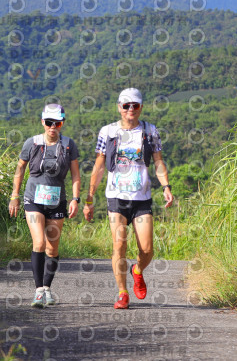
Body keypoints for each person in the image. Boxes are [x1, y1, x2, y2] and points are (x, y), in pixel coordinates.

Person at [83, 88, 174, 309]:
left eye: (135, 105)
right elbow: (99, 166)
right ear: (119, 107)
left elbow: (158, 161)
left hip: (142, 198)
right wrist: (89, 198)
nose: (130, 109)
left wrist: (166, 186)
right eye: (126, 106)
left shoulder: (150, 131)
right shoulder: (108, 131)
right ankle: (122, 293)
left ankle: (137, 270)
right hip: (116, 197)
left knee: (147, 249)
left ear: (141, 107)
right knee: (119, 244)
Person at [9, 104, 80, 307]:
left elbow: (75, 174)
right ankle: (38, 291)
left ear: (62, 123)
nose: (52, 127)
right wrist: (14, 195)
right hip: (33, 199)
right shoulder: (32, 143)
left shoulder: (68, 145)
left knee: (52, 247)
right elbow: (20, 169)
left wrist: (75, 199)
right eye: (49, 122)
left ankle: (47, 288)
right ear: (42, 122)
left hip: (57, 201)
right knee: (39, 243)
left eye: (57, 123)